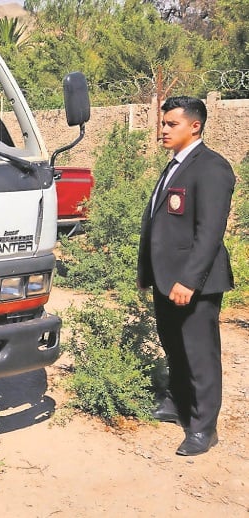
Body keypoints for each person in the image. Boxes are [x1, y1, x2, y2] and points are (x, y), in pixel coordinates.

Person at [137, 96, 235, 456]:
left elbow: (210, 233)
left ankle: (203, 428)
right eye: (162, 123)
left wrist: (190, 280)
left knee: (200, 354)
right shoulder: (175, 166)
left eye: (171, 124)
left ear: (195, 126)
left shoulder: (211, 168)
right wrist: (147, 271)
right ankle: (178, 403)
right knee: (174, 347)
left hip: (194, 283)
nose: (163, 130)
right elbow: (159, 226)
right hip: (167, 279)